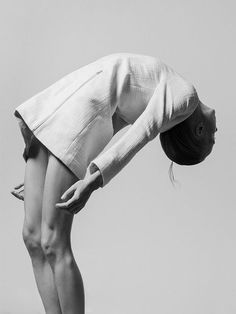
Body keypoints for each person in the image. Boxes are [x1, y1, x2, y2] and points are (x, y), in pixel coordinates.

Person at [10, 52, 217, 314]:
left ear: (200, 132)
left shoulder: (185, 98)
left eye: (212, 140)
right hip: (71, 97)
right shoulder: (184, 94)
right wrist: (51, 180)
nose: (215, 135)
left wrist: (93, 179)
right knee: (33, 238)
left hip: (78, 106)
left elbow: (140, 131)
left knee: (51, 240)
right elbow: (115, 113)